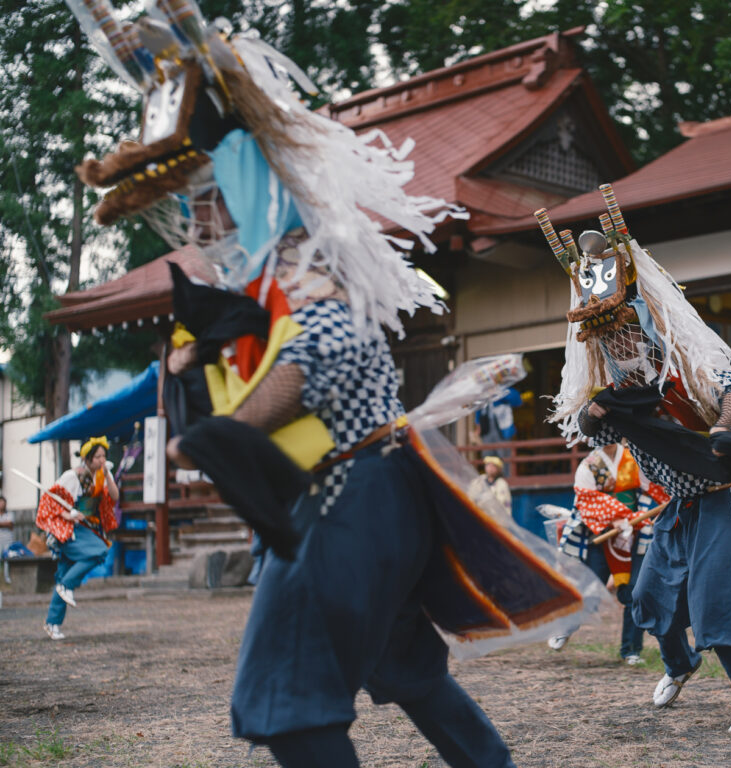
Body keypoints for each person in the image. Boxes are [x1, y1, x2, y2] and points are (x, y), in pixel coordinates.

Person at [68, 8, 517, 766]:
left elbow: (329, 348)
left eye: (204, 201)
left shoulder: (303, 258)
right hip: (368, 500)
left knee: (287, 703)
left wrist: (225, 430)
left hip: (347, 499)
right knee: (406, 669)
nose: (196, 222)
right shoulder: (261, 287)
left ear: (242, 189)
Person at [540, 198, 731, 734]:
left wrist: (724, 428)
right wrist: (594, 411)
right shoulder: (613, 392)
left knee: (714, 599)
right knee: (648, 599)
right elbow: (590, 427)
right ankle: (680, 665)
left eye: (624, 331)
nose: (618, 342)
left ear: (643, 321)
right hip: (678, 507)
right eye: (607, 337)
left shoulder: (686, 360)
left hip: (727, 497)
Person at [548, 442, 671, 664]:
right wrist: (615, 516)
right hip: (601, 532)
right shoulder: (589, 465)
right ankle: (565, 627)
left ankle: (631, 649)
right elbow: (585, 498)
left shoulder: (633, 459)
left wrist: (675, 499)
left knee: (635, 592)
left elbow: (654, 486)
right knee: (591, 587)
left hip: (633, 532)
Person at [35, 437, 118, 639]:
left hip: (88, 528)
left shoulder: (103, 475)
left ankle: (52, 623)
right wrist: (68, 514)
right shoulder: (72, 477)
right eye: (97, 456)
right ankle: (66, 587)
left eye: (104, 456)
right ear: (87, 459)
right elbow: (49, 503)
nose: (101, 459)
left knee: (64, 574)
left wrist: (107, 476)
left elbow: (114, 497)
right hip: (70, 530)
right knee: (99, 551)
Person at [0, 496, 13, 583]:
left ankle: (7, 578)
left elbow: (10, 524)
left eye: (3, 503)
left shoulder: (10, 514)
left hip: (8, 540)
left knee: (7, 560)